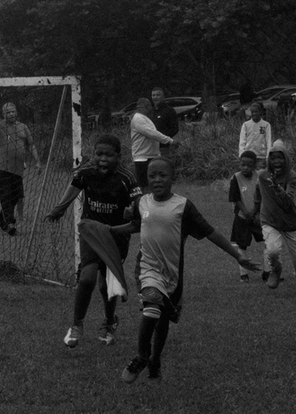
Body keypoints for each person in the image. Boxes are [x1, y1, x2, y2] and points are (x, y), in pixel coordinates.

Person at [120, 158, 257, 384]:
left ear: (173, 179)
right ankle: (141, 356)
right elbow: (136, 223)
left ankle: (155, 359)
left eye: (162, 175)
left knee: (163, 319)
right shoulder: (142, 202)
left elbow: (211, 232)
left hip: (172, 274)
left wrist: (238, 255)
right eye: (152, 175)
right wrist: (111, 229)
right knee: (151, 307)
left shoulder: (183, 206)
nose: (156, 179)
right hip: (147, 268)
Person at [45, 134, 139, 348]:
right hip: (90, 230)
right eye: (98, 154)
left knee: (107, 284)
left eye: (108, 155)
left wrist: (132, 210)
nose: (102, 159)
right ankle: (77, 325)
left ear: (118, 156)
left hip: (115, 235)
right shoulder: (86, 172)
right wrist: (59, 209)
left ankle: (109, 321)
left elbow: (138, 202)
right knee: (87, 278)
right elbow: (74, 186)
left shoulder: (126, 178)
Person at [0, 96, 41, 235]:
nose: (11, 114)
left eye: (13, 112)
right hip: (1, 169)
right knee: (5, 196)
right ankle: (10, 224)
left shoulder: (23, 127)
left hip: (18, 170)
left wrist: (38, 161)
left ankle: (3, 221)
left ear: (16, 112)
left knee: (16, 197)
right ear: (3, 114)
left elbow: (31, 145)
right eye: (8, 112)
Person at [255, 140, 296, 293]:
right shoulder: (262, 175)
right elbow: (258, 193)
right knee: (271, 250)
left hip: (290, 222)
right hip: (270, 220)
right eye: (273, 158)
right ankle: (276, 269)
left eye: (280, 157)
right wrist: (255, 210)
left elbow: (288, 202)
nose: (277, 161)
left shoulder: (291, 176)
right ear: (269, 160)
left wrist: (278, 189)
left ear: (286, 159)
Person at [227, 150, 267, 284]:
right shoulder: (236, 178)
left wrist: (255, 212)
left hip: (258, 217)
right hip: (242, 217)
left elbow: (262, 196)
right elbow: (235, 198)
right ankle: (243, 274)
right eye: (243, 164)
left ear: (254, 165)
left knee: (267, 242)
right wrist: (246, 212)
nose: (245, 168)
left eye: (249, 165)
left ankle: (267, 272)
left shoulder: (259, 177)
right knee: (242, 245)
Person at [130, 97, 176, 190]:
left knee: (152, 184)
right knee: (144, 186)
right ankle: (143, 203)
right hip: (143, 158)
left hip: (151, 156)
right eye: (149, 106)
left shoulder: (145, 118)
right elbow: (152, 133)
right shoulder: (138, 119)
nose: (152, 108)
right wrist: (170, 141)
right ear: (145, 107)